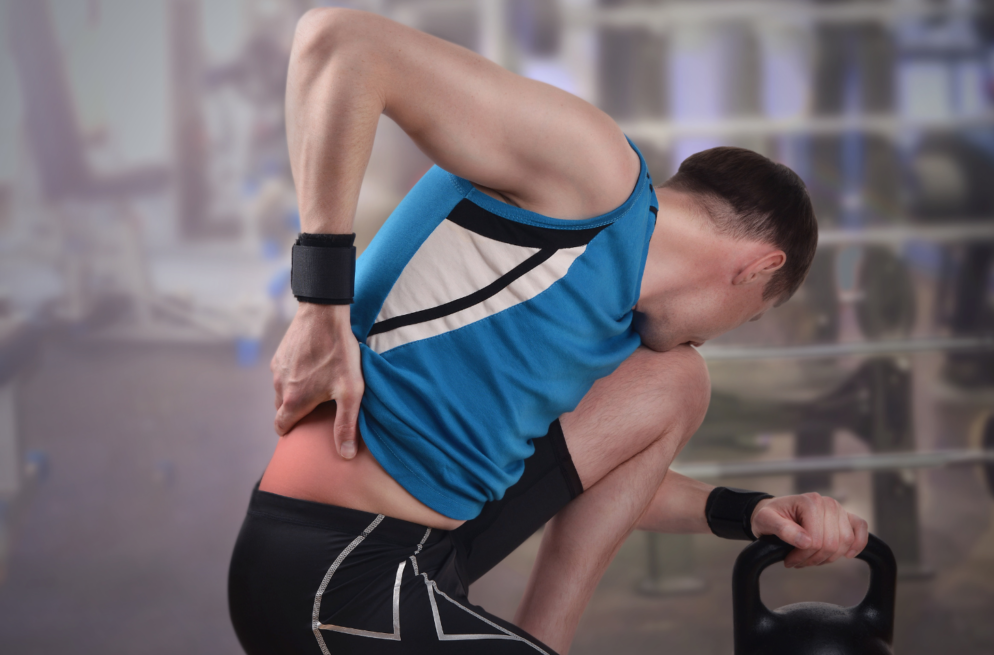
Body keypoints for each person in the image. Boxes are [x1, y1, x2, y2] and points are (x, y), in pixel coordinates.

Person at [228, 8, 869, 655]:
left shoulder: (616, 321)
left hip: (431, 553)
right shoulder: (596, 177)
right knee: (677, 372)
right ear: (759, 266)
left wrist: (745, 511)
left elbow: (592, 487)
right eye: (751, 316)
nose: (712, 337)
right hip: (331, 567)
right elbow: (342, 42)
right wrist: (318, 304)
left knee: (676, 383)